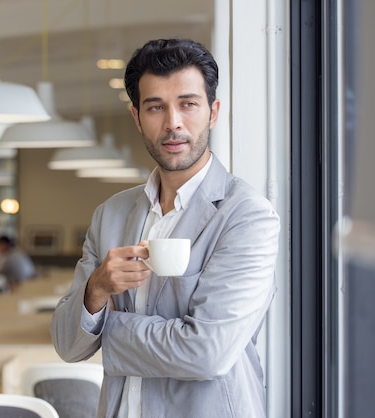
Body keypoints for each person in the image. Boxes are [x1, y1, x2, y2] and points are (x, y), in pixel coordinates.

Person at [50, 38, 280, 418]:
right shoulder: (110, 214)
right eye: (156, 107)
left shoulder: (246, 215)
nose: (173, 122)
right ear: (137, 117)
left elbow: (206, 353)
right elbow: (68, 346)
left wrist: (110, 330)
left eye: (188, 104)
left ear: (213, 112)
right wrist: (97, 289)